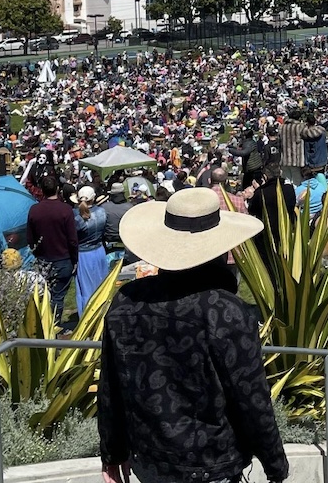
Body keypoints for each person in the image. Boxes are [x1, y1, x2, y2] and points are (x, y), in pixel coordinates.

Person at [98, 187, 288, 483]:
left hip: (150, 461)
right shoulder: (225, 311)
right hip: (211, 463)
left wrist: (112, 451)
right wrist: (276, 465)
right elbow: (251, 397)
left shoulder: (128, 300)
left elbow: (111, 383)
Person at [26, 175, 78, 323]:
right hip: (63, 259)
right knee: (58, 297)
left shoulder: (34, 210)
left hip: (43, 259)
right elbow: (72, 239)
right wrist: (74, 260)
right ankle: (53, 329)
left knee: (44, 296)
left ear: (42, 190)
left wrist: (37, 254)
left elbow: (30, 238)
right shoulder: (65, 210)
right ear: (57, 189)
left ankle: (46, 328)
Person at [71, 185, 109, 315]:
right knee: (101, 285)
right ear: (93, 198)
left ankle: (87, 316)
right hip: (99, 251)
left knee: (85, 289)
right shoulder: (102, 212)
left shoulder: (75, 216)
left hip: (83, 255)